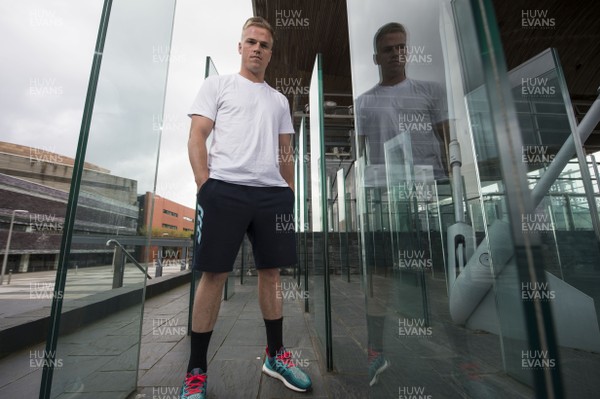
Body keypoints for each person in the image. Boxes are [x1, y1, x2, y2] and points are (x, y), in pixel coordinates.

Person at [182, 16, 312, 399]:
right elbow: (197, 135)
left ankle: (275, 356)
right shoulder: (217, 85)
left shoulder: (279, 100)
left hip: (272, 195)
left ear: (271, 53)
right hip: (225, 190)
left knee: (272, 275)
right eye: (251, 42)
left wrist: (289, 190)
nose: (257, 48)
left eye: (264, 45)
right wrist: (205, 185)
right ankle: (195, 372)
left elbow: (285, 150)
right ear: (240, 46)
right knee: (214, 276)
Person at [354, 22, 449, 387]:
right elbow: (358, 155)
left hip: (431, 193)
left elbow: (447, 139)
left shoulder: (430, 91)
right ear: (376, 57)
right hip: (384, 197)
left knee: (438, 273)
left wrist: (453, 178)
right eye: (388, 49)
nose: (396, 53)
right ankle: (376, 350)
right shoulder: (364, 102)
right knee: (380, 275)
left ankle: (453, 349)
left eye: (401, 47)